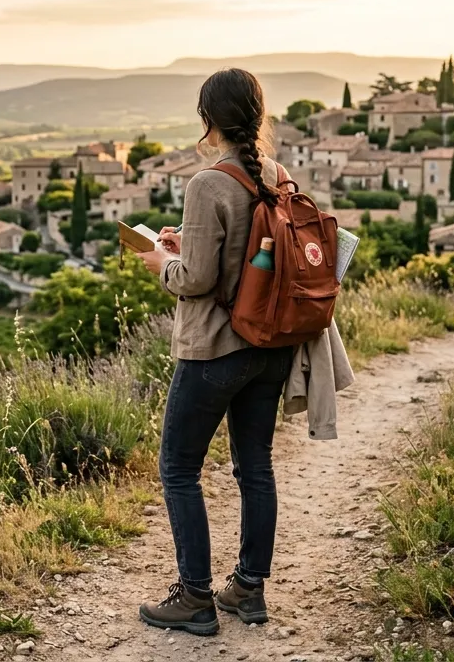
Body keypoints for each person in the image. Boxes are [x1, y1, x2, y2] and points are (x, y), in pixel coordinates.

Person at [134, 68, 293, 636]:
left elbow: (196, 279)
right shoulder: (276, 175)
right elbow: (243, 255)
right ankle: (248, 589)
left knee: (179, 469)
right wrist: (189, 244)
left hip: (215, 350)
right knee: (256, 466)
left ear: (208, 119)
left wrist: (162, 261)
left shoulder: (207, 183)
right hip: (270, 345)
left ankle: (195, 598)